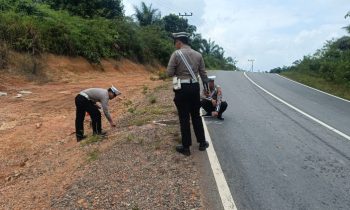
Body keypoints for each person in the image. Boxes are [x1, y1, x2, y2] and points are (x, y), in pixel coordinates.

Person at [167, 32, 209, 156]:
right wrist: (205, 87)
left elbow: (169, 73)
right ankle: (202, 143)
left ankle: (186, 147)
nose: (175, 45)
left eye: (175, 42)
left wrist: (178, 73)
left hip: (182, 88)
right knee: (196, 115)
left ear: (179, 42)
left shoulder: (176, 54)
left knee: (184, 117)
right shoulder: (198, 55)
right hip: (195, 87)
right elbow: (203, 74)